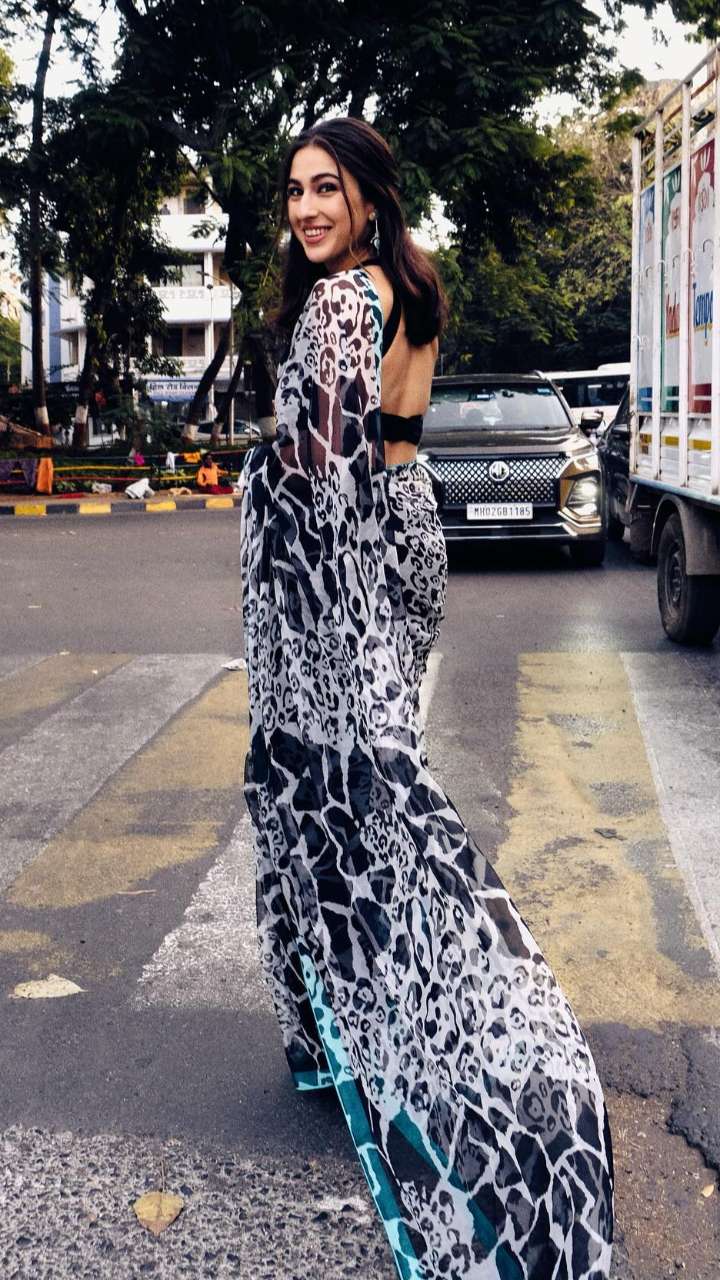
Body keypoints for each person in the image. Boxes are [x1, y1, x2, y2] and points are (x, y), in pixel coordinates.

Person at [240, 117, 613, 1279]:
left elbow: (324, 469)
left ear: (368, 195)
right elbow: (389, 448)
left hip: (335, 576)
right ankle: (344, 1028)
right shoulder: (412, 287)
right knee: (358, 794)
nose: (307, 208)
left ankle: (475, 1039)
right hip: (407, 539)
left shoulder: (338, 304)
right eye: (295, 191)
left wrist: (272, 495)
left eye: (327, 187)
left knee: (328, 798)